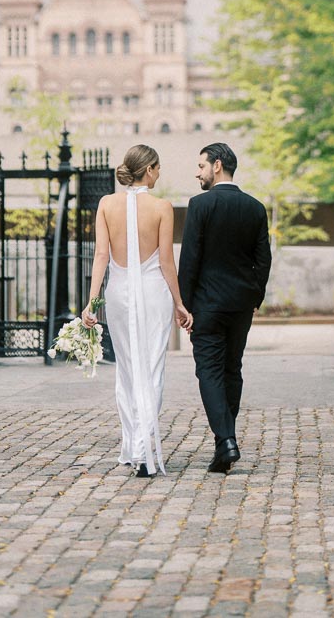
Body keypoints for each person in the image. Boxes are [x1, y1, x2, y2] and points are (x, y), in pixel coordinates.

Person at [81, 145, 192, 477]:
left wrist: (91, 302)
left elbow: (100, 255)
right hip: (152, 291)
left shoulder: (106, 204)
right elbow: (167, 263)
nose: (159, 174)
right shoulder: (162, 207)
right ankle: (143, 451)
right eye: (158, 168)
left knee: (127, 370)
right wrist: (179, 302)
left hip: (117, 291)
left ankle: (132, 447)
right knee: (151, 369)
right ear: (149, 170)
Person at [178, 142, 271, 473]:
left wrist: (183, 305)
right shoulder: (255, 208)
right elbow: (263, 261)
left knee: (209, 370)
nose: (197, 172)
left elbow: (190, 259)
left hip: (207, 305)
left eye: (201, 165)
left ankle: (226, 441)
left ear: (217, 166)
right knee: (232, 368)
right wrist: (255, 298)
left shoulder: (200, 205)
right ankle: (225, 441)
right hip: (241, 305)